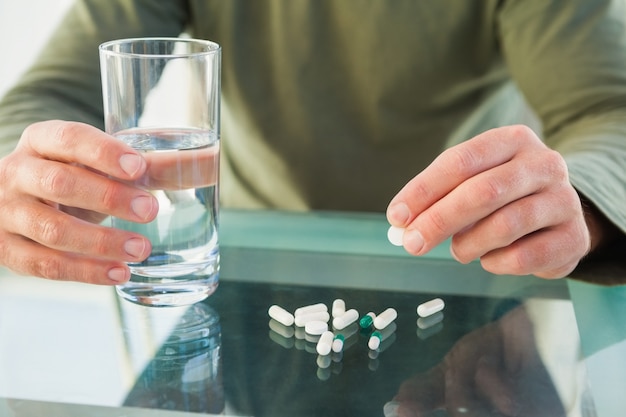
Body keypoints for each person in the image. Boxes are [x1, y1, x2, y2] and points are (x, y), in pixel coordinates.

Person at [0, 0, 624, 285]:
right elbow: (44, 99)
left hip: (465, 265)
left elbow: (610, 111)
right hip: (247, 274)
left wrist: (583, 203)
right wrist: (34, 179)